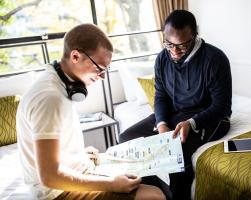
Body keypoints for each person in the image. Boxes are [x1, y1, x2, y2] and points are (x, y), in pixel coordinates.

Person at [16, 23, 166, 200]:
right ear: (75, 56)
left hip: (74, 168)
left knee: (143, 173)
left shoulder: (60, 83)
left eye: (106, 70)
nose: (102, 77)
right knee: (154, 195)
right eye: (100, 68)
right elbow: (49, 176)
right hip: (56, 193)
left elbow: (50, 150)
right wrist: (111, 184)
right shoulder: (50, 98)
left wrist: (77, 155)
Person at [119, 10, 232, 200]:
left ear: (195, 35)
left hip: (209, 117)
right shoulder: (162, 58)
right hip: (175, 113)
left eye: (182, 45)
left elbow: (222, 106)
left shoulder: (215, 59)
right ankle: (159, 193)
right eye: (169, 44)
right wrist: (162, 123)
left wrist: (192, 123)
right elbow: (161, 96)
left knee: (175, 153)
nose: (174, 51)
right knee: (127, 138)